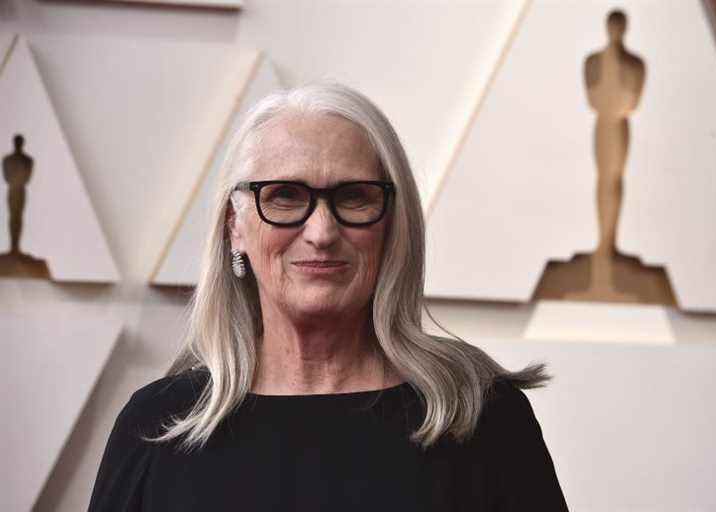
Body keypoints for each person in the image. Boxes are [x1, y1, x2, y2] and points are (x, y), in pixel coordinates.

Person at [87, 82, 569, 511]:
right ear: (235, 227)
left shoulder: (479, 417)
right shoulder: (156, 426)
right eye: (284, 196)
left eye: (354, 196)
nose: (321, 231)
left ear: (392, 224)